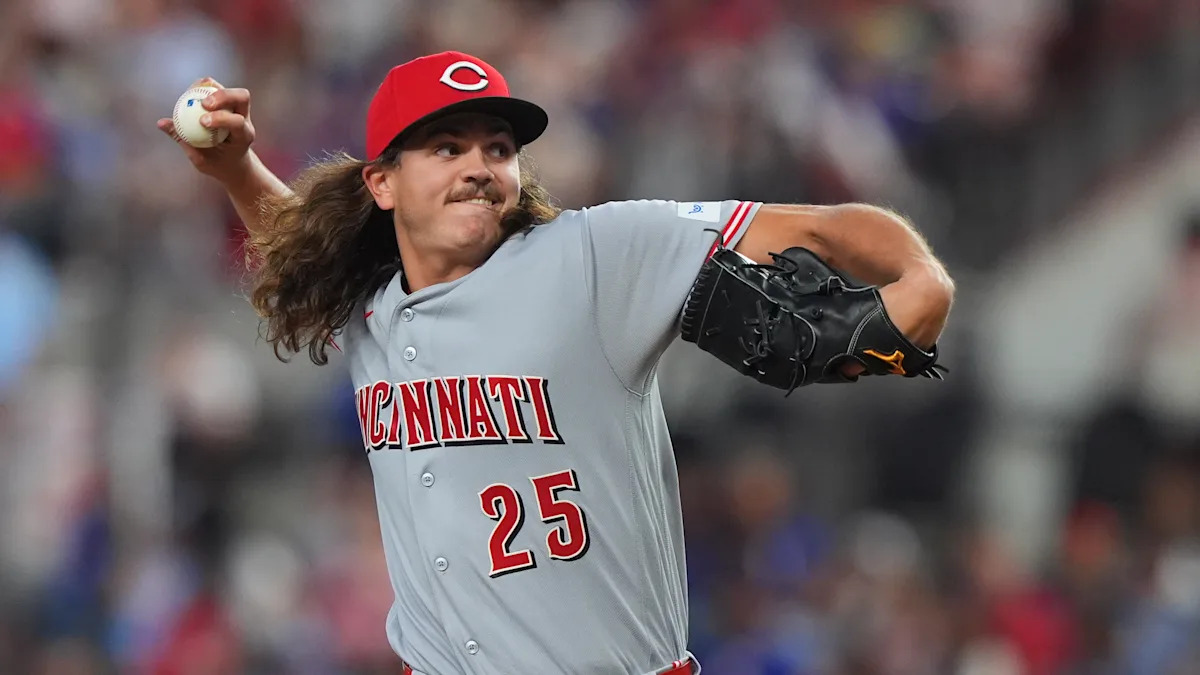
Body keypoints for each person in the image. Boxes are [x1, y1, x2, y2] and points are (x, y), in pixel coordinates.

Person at [158, 51, 954, 675]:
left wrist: (921, 277)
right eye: (447, 146)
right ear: (383, 183)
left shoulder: (593, 256)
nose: (479, 165)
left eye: (498, 147)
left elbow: (820, 227)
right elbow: (300, 242)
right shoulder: (372, 305)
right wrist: (233, 169)